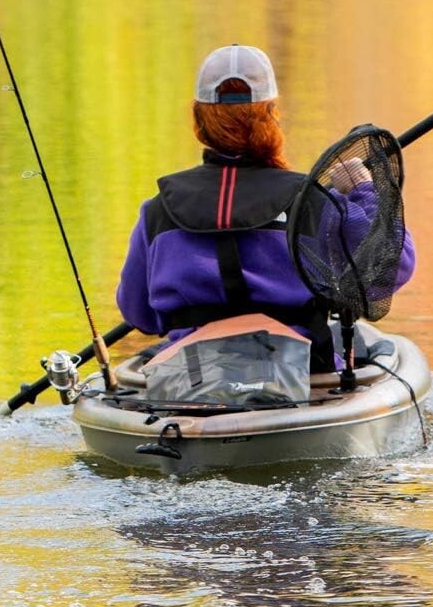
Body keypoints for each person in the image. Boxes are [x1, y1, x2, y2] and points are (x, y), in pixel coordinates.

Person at [115, 44, 416, 373]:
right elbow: (393, 266)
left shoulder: (157, 212)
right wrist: (363, 190)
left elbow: (138, 313)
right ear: (271, 116)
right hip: (300, 370)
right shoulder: (314, 202)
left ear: (199, 119)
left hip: (193, 373)